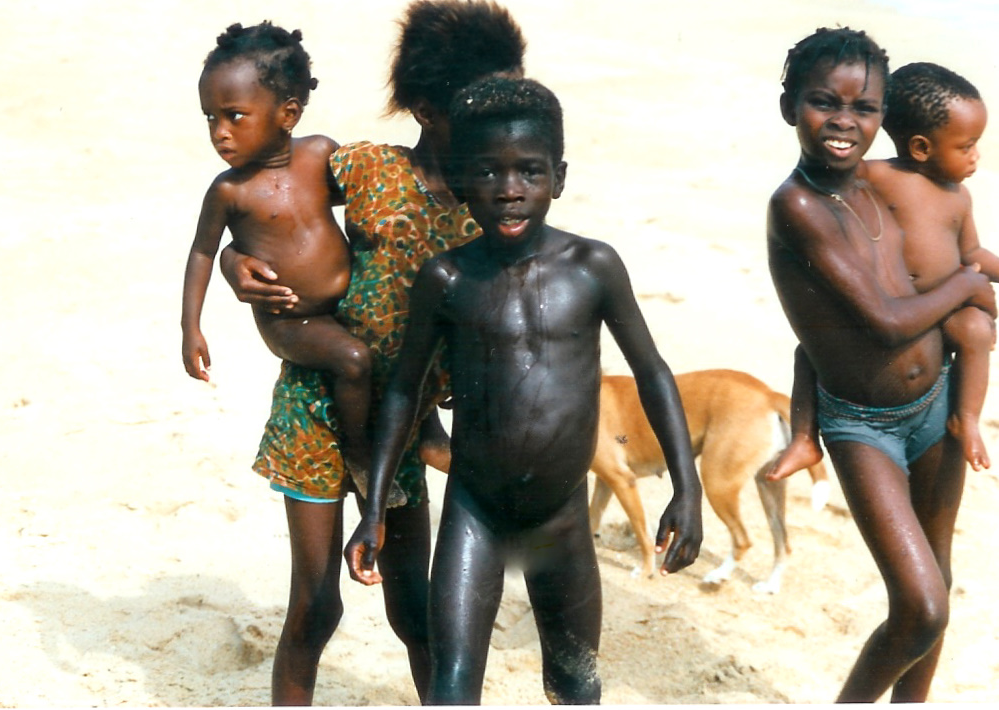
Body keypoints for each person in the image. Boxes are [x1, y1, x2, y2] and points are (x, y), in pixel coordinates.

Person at [343, 75, 704, 705]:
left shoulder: (593, 268)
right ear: (461, 180)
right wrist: (373, 506)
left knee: (574, 684)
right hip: (474, 512)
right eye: (488, 172)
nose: (509, 190)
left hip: (559, 519)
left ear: (558, 178)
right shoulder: (447, 277)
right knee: (452, 687)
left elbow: (652, 371)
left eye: (529, 173)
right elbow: (404, 391)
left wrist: (687, 485)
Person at [216, 2, 528, 704]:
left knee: (415, 612)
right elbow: (266, 202)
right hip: (317, 407)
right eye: (481, 107)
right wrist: (236, 259)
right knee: (314, 606)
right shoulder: (361, 168)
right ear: (423, 105)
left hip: (404, 428)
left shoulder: (501, 208)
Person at [766, 27, 995, 702]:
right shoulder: (798, 205)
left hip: (935, 406)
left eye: (863, 108)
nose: (843, 121)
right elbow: (885, 319)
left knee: (939, 580)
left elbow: (813, 339)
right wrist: (969, 287)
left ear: (883, 119)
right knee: (919, 607)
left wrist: (967, 283)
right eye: (822, 104)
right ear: (789, 108)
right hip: (862, 422)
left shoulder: (887, 184)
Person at [180, 22, 398, 503]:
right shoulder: (230, 190)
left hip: (346, 305)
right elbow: (202, 251)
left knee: (393, 349)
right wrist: (191, 328)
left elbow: (371, 198)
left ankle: (420, 439)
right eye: (210, 118)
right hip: (291, 317)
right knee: (353, 359)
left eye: (235, 116)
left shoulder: (321, 155)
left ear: (288, 113)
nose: (220, 132)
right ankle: (360, 458)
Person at [772, 61, 995, 481]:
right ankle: (804, 437)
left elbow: (973, 253)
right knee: (810, 350)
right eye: (966, 145)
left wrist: (981, 282)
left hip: (941, 312)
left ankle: (966, 419)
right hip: (900, 310)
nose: (976, 156)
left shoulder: (960, 198)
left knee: (977, 331)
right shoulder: (875, 176)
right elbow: (826, 184)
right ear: (922, 148)